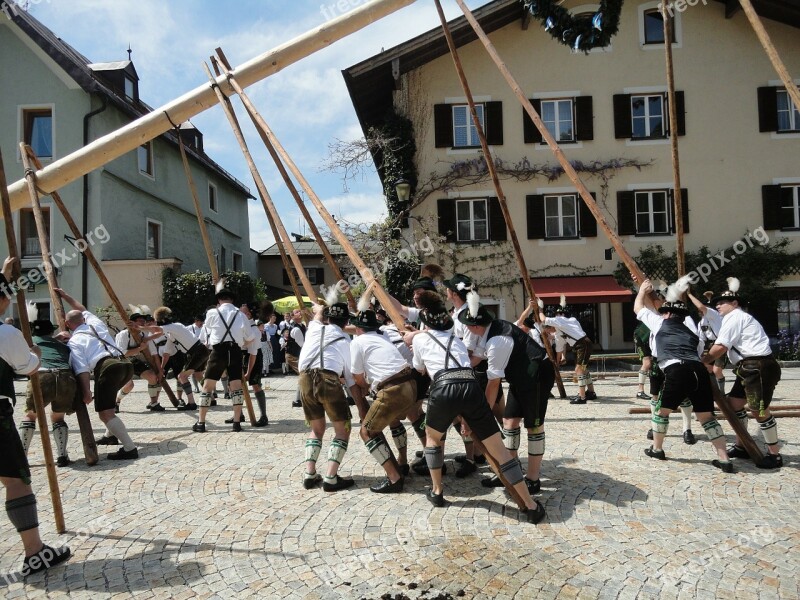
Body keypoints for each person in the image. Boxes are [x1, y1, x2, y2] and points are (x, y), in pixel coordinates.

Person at [411, 292, 545, 523]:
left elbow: (419, 368)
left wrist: (412, 339)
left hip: (443, 387)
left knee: (433, 439)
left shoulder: (420, 339)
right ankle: (530, 505)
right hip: (471, 386)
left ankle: (437, 491)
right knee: (500, 452)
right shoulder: (457, 341)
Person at [0, 261, 71, 575]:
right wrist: (35, 353)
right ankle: (34, 553)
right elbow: (28, 367)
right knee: (16, 481)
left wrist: (4, 276)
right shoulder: (6, 333)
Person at [634, 279, 733, 471]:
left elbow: (638, 308)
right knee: (707, 418)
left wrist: (641, 291)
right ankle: (724, 459)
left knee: (661, 412)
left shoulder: (660, 323)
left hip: (676, 369)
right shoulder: (693, 334)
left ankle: (657, 449)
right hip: (699, 371)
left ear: (668, 313)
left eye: (664, 312)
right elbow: (699, 353)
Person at [460, 294, 551, 496]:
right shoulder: (489, 332)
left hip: (537, 375)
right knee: (509, 423)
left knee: (534, 425)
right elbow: (475, 358)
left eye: (467, 324)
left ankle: (533, 479)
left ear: (475, 326)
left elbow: (493, 385)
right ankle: (512, 473)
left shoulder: (497, 342)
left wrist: (479, 414)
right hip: (520, 378)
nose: (465, 328)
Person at [703, 278, 783, 469]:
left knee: (759, 410)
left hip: (757, 366)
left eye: (722, 302)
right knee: (733, 405)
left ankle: (775, 454)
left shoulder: (735, 317)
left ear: (735, 304)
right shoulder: (734, 318)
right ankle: (742, 446)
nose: (718, 306)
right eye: (717, 303)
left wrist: (702, 361)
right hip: (749, 367)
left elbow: (720, 347)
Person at [57, 288, 138, 460]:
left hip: (108, 368)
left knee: (105, 412)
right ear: (82, 319)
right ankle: (111, 435)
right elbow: (82, 308)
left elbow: (82, 370)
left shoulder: (75, 341)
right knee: (109, 402)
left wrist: (86, 392)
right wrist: (66, 296)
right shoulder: (95, 322)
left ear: (68, 325)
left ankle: (130, 448)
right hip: (124, 363)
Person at [350, 307, 417, 494]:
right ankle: (401, 462)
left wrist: (365, 386)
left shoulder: (358, 342)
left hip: (392, 389)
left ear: (358, 328)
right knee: (393, 420)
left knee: (367, 432)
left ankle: (394, 478)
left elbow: (357, 378)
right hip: (409, 384)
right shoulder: (383, 337)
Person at [298, 299, 360, 492]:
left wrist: (319, 308)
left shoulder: (313, 328)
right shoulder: (345, 340)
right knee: (342, 430)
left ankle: (309, 473)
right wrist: (361, 405)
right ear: (345, 322)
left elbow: (317, 315)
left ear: (328, 318)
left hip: (304, 380)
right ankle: (331, 477)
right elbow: (350, 380)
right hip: (328, 380)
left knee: (316, 429)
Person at [193, 283, 256, 433]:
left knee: (207, 386)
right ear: (232, 300)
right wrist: (241, 342)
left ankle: (201, 423)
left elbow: (206, 329)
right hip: (235, 351)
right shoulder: (240, 314)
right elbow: (251, 337)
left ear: (219, 300)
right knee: (236, 387)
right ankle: (236, 423)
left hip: (218, 351)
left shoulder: (212, 313)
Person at [18, 316, 77, 467]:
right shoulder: (62, 345)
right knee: (58, 417)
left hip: (42, 375)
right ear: (51, 332)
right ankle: (62, 455)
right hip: (65, 375)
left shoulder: (29, 343)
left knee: (31, 416)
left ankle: (22, 456)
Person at [136, 306, 209, 412]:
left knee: (182, 376)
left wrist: (139, 328)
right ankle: (210, 399)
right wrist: (161, 368)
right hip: (198, 352)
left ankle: (192, 403)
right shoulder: (172, 334)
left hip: (198, 352)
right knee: (195, 375)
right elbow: (166, 353)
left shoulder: (175, 326)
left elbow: (158, 330)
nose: (156, 324)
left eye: (156, 321)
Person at [544, 298, 597, 404]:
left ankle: (582, 397)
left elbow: (544, 319)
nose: (550, 333)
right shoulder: (559, 333)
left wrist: (539, 310)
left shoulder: (563, 320)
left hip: (583, 343)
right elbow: (559, 350)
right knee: (583, 369)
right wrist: (557, 362)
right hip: (579, 345)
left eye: (549, 330)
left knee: (579, 369)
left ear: (551, 327)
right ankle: (591, 392)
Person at [115, 311, 164, 412]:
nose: (143, 323)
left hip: (133, 360)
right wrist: (139, 349)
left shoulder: (143, 333)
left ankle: (153, 403)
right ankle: (117, 401)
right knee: (129, 385)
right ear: (131, 323)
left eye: (144, 321)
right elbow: (122, 354)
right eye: (140, 321)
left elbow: (160, 332)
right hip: (120, 362)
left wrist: (160, 371)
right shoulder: (123, 334)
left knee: (152, 377)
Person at [237, 301, 269, 427]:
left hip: (254, 356)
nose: (238, 313)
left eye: (242, 311)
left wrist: (248, 373)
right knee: (236, 385)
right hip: (243, 355)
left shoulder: (254, 330)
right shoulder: (241, 326)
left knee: (255, 384)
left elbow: (253, 354)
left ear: (248, 314)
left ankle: (263, 416)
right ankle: (239, 414)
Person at [689, 290, 727, 394]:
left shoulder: (715, 315)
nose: (699, 310)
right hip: (708, 345)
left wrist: (689, 294)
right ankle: (713, 391)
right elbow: (701, 338)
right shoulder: (701, 322)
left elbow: (703, 307)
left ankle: (721, 393)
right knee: (706, 367)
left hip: (720, 343)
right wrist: (701, 352)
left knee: (717, 370)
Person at [287, 309, 306, 407]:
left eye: (300, 311)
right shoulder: (296, 329)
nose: (300, 313)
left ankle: (298, 400)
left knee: (303, 374)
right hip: (293, 355)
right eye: (297, 312)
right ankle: (298, 400)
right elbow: (303, 344)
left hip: (298, 354)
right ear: (293, 316)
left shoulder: (302, 326)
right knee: (304, 373)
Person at [633, 322, 653, 400]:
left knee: (651, 363)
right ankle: (640, 391)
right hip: (642, 336)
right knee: (647, 362)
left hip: (648, 335)